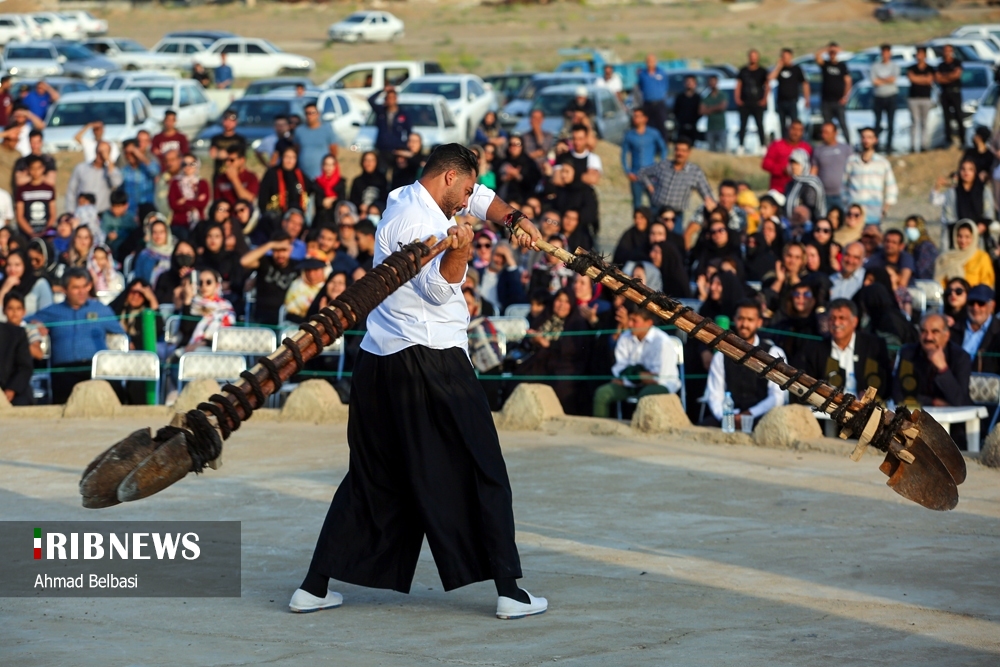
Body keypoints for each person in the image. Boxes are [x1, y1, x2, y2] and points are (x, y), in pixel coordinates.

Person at [292, 143, 547, 619]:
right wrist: (463, 249)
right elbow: (435, 290)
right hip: (429, 362)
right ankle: (511, 593)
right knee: (479, 466)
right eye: (466, 187)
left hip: (378, 362)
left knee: (373, 477)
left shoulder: (413, 196)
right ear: (448, 178)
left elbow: (480, 198)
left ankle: (313, 586)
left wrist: (514, 220)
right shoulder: (415, 223)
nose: (471, 197)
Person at [30, 268, 125, 403]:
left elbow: (121, 332)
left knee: (113, 394)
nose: (81, 292)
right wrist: (36, 326)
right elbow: (26, 322)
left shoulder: (100, 309)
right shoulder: (53, 311)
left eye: (84, 286)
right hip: (64, 369)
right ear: (64, 289)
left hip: (96, 367)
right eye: (75, 288)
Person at [704, 301, 786, 429]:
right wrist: (727, 418)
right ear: (734, 319)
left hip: (762, 418)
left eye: (750, 319)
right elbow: (715, 395)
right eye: (741, 318)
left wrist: (749, 414)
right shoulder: (721, 355)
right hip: (728, 417)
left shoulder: (774, 354)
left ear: (759, 322)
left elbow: (776, 397)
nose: (744, 324)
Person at [592, 303, 680, 418]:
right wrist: (640, 376)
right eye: (630, 319)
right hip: (630, 384)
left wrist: (632, 376)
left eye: (635, 321)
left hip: (662, 385)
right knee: (602, 394)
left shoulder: (662, 342)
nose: (629, 324)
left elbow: (659, 379)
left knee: (644, 396)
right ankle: (600, 431)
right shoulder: (625, 337)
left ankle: (640, 433)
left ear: (649, 323)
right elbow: (620, 368)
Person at [794, 298, 891, 403]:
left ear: (854, 321)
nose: (836, 323)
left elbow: (885, 382)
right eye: (832, 318)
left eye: (842, 318)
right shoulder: (815, 349)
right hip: (827, 411)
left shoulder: (874, 346)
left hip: (865, 411)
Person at [520, 288, 590, 414]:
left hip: (565, 365)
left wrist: (547, 343)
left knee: (561, 385)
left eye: (566, 301)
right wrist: (533, 339)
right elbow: (527, 340)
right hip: (540, 362)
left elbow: (572, 349)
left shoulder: (576, 322)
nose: (562, 305)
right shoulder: (544, 317)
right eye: (559, 300)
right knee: (520, 379)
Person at [894, 313, 972, 409]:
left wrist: (943, 369)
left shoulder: (960, 357)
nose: (928, 337)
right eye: (923, 331)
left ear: (946, 335)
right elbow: (898, 394)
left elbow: (961, 401)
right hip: (916, 415)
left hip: (951, 421)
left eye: (935, 332)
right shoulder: (908, 353)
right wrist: (933, 402)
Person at [638, 136, 716, 228]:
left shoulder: (695, 172)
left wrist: (709, 202)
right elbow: (642, 173)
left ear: (689, 152)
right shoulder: (663, 165)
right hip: (657, 211)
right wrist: (650, 187)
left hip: (676, 215)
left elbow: (706, 193)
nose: (680, 153)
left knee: (675, 241)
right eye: (677, 150)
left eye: (683, 151)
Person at [931, 159, 996, 248]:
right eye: (963, 169)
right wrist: (963, 234)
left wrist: (978, 229)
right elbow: (949, 217)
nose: (966, 172)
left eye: (970, 169)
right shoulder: (952, 193)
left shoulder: (984, 191)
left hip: (980, 238)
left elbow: (988, 213)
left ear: (975, 172)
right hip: (958, 239)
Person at [552, 125, 602, 237]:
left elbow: (593, 179)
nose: (577, 142)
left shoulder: (593, 158)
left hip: (583, 202)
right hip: (564, 200)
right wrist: (582, 175)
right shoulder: (563, 157)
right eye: (574, 138)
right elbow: (557, 180)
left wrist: (570, 175)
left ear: (586, 139)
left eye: (580, 139)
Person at [240, 232, 299, 325]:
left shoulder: (297, 266)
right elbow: (244, 261)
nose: (280, 254)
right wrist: (270, 244)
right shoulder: (266, 261)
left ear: (290, 249)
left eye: (284, 250)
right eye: (276, 250)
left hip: (287, 318)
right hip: (261, 317)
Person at [844, 128, 897, 226]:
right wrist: (847, 205)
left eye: (869, 137)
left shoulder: (883, 163)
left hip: (874, 215)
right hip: (854, 217)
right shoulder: (851, 161)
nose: (866, 140)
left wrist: (884, 210)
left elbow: (891, 187)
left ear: (875, 140)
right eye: (863, 137)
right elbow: (843, 185)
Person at [620, 108, 667, 209]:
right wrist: (628, 171)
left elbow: (663, 149)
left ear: (645, 118)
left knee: (655, 203)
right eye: (634, 116)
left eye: (638, 116)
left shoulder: (653, 133)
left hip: (651, 174)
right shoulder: (629, 135)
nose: (635, 118)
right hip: (636, 174)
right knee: (637, 204)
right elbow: (624, 154)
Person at [950, 283, 1000, 374]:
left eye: (981, 303)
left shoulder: (998, 332)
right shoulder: (953, 330)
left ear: (992, 305)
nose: (975, 308)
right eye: (971, 303)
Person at [64, 141, 122, 214]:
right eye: (99, 151)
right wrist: (70, 211)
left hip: (102, 213)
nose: (101, 155)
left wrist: (108, 160)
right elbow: (71, 191)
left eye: (105, 152)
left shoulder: (111, 171)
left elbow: (116, 183)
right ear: (95, 151)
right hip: (82, 212)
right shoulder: (81, 168)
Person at [934, 219, 994, 289]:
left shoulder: (982, 257)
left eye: (967, 237)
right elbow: (940, 284)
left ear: (974, 237)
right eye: (959, 236)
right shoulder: (947, 258)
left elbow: (986, 285)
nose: (963, 240)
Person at [259, 145, 313, 221]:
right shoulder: (272, 174)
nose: (289, 160)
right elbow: (263, 197)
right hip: (275, 218)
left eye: (293, 157)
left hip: (296, 218)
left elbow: (313, 188)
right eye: (287, 157)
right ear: (282, 158)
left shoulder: (300, 175)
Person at [810, 122, 852, 212]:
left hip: (842, 195)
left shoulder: (846, 149)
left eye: (827, 132)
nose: (824, 135)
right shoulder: (818, 150)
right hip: (823, 195)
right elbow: (814, 171)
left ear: (835, 133)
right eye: (823, 132)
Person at [768, 48, 810, 138]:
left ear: (791, 57)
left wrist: (807, 98)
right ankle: (784, 141)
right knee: (782, 124)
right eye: (783, 57)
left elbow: (805, 84)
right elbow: (770, 78)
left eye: (787, 57)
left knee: (794, 124)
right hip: (781, 101)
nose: (785, 59)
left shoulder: (796, 69)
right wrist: (778, 66)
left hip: (792, 101)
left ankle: (796, 141)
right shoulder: (779, 70)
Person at [0, 293, 33, 405]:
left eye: (18, 308)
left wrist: (12, 389)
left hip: (16, 392)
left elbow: (25, 366)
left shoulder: (19, 333)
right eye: (10, 308)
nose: (14, 313)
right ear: (4, 310)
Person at [762, 119, 811, 194]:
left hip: (799, 191)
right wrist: (782, 169)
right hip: (778, 190)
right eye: (793, 129)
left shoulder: (806, 148)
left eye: (799, 130)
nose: (796, 132)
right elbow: (766, 164)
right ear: (788, 129)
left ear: (802, 132)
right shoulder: (776, 145)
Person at [368, 87, 411, 171]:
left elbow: (408, 132)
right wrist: (383, 90)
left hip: (397, 150)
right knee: (382, 172)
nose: (390, 100)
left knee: (397, 174)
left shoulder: (403, 114)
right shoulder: (381, 111)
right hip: (382, 149)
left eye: (392, 98)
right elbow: (370, 100)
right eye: (388, 98)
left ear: (396, 99)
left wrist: (405, 147)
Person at [167, 153, 210, 240]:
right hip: (179, 223)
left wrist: (184, 201)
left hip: (198, 222)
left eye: (192, 164)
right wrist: (195, 201)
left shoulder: (202, 183)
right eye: (184, 164)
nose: (188, 167)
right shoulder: (175, 182)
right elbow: (173, 205)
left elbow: (203, 204)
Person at [815, 42, 851, 139]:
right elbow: (817, 56)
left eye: (834, 52)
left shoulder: (842, 66)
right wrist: (827, 49)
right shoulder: (825, 65)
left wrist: (845, 96)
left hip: (838, 101)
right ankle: (828, 143)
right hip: (826, 101)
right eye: (831, 53)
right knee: (827, 125)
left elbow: (848, 82)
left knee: (843, 124)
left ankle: (848, 143)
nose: (832, 54)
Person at [735, 49, 769, 153]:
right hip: (745, 102)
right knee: (743, 125)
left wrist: (764, 99)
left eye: (755, 56)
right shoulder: (743, 71)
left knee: (760, 124)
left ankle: (762, 146)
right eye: (751, 56)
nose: (753, 58)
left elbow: (767, 85)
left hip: (757, 102)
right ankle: (741, 146)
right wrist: (737, 99)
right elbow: (738, 85)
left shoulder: (762, 71)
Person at [0, 248, 52, 316]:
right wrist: (4, 289)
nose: (12, 269)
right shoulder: (2, 284)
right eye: (9, 265)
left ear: (25, 265)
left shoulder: (40, 284)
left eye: (17, 265)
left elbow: (47, 313)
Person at [294, 102, 338, 180]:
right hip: (303, 175)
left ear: (318, 114)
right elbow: (297, 150)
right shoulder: (299, 131)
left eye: (312, 113)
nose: (309, 116)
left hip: (322, 176)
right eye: (307, 113)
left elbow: (333, 151)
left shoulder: (327, 130)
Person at [14, 155, 55, 238]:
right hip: (27, 234)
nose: (36, 171)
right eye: (33, 168)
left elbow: (53, 214)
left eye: (38, 168)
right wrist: (31, 232)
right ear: (28, 169)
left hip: (45, 233)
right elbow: (20, 216)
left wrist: (45, 231)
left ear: (43, 168)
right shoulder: (22, 189)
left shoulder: (49, 189)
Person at [120, 137, 160, 222]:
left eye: (132, 153)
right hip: (131, 213)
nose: (130, 156)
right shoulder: (124, 171)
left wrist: (138, 154)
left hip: (148, 211)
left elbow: (156, 171)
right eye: (127, 153)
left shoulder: (147, 167)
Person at [870, 45, 901, 154]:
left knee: (891, 123)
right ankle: (876, 146)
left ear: (890, 53)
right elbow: (874, 81)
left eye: (887, 52)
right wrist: (886, 80)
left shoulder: (894, 66)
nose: (885, 55)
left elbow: (893, 79)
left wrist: (881, 80)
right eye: (883, 52)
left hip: (891, 97)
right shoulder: (875, 66)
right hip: (878, 97)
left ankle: (889, 146)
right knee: (877, 123)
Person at [784, 148, 826, 223]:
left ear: (804, 164)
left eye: (797, 163)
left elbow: (810, 208)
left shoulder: (811, 183)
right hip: (791, 225)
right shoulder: (791, 183)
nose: (794, 166)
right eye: (792, 163)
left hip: (808, 225)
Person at [935, 45, 965, 149]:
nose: (947, 53)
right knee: (946, 117)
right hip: (945, 93)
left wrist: (945, 77)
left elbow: (957, 75)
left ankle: (963, 140)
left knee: (959, 116)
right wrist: (950, 76)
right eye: (945, 51)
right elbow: (938, 78)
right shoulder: (941, 65)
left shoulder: (957, 62)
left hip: (955, 92)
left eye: (949, 50)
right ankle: (948, 140)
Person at [636, 54, 670, 143]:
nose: (650, 63)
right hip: (647, 104)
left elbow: (665, 86)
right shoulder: (642, 74)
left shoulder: (661, 73)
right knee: (649, 126)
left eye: (652, 61)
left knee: (661, 125)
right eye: (648, 61)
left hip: (659, 104)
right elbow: (640, 87)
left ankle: (663, 145)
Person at [907, 46, 936, 153]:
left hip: (926, 98)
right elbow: (912, 78)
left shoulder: (930, 68)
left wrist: (917, 79)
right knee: (914, 122)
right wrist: (923, 79)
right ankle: (912, 146)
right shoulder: (911, 68)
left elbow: (929, 80)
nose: (919, 56)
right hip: (913, 98)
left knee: (924, 122)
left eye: (921, 53)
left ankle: (924, 145)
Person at [282, 257, 327, 322]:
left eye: (315, 270)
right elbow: (289, 307)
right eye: (308, 270)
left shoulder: (329, 286)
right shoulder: (297, 284)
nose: (311, 274)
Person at [209, 109, 248, 180]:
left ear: (236, 122)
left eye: (231, 121)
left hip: (236, 175)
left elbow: (242, 158)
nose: (228, 123)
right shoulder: (216, 138)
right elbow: (212, 154)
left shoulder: (241, 139)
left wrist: (224, 154)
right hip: (219, 175)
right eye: (226, 120)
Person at [313, 154, 347, 229]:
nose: (328, 168)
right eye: (326, 164)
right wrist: (333, 199)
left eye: (331, 165)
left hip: (336, 220)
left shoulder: (341, 182)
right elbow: (318, 202)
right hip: (320, 221)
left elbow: (342, 201)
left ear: (335, 167)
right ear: (322, 166)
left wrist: (330, 201)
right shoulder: (317, 182)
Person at [904, 215, 939, 281]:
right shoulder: (908, 246)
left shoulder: (926, 247)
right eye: (908, 226)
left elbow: (923, 270)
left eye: (913, 227)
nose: (909, 229)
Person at [700, 75, 729, 153]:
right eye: (710, 82)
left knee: (723, 150)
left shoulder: (722, 95)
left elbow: (723, 107)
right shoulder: (706, 97)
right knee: (711, 151)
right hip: (710, 127)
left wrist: (709, 109)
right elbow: (702, 111)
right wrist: (717, 107)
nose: (712, 83)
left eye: (714, 81)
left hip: (721, 126)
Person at [673, 75, 702, 142]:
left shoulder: (698, 98)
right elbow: (676, 110)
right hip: (682, 127)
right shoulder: (680, 97)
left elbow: (700, 112)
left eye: (691, 82)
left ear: (695, 84)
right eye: (687, 82)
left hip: (694, 127)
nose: (689, 84)